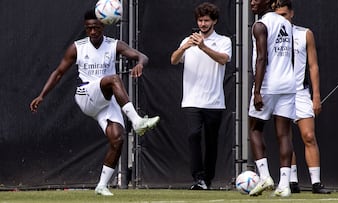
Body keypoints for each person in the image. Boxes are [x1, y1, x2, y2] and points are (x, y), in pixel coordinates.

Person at [29, 9, 160, 196]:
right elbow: (58, 73)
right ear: (85, 27)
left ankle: (101, 185)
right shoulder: (77, 47)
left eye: (96, 28)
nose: (93, 32)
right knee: (113, 79)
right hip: (86, 95)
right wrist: (42, 95)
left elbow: (142, 56)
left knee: (118, 138)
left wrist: (139, 63)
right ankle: (137, 121)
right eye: (89, 28)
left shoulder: (114, 45)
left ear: (104, 26)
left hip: (105, 100)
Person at [170, 2, 232, 190]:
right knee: (193, 135)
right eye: (200, 20)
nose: (203, 24)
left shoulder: (223, 41)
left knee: (211, 142)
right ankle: (198, 178)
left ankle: (208, 179)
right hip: (192, 100)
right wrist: (185, 47)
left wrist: (203, 47)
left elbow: (223, 59)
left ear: (214, 21)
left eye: (206, 20)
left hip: (214, 101)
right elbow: (173, 60)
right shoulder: (187, 41)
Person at [274, 0, 331, 194]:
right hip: (280, 92)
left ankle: (316, 182)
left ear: (291, 13)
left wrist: (316, 95)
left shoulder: (304, 33)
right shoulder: (270, 34)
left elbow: (313, 66)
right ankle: (292, 181)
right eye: (277, 15)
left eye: (284, 14)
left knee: (308, 135)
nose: (281, 18)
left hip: (300, 91)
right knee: (285, 138)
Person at [248, 0, 296, 197]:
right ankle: (284, 185)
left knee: (254, 128)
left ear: (268, 2)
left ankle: (265, 176)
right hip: (288, 83)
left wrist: (257, 91)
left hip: (268, 84)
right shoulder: (287, 24)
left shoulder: (261, 24)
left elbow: (262, 58)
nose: (252, 2)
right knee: (284, 134)